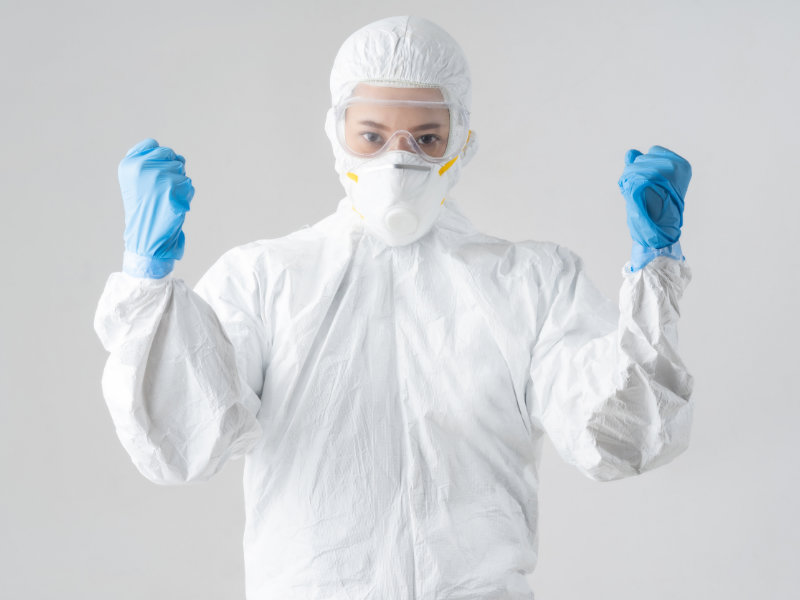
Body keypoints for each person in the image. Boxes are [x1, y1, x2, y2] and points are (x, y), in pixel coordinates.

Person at [94, 15, 693, 600]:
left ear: (462, 139)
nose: (398, 160)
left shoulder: (530, 282)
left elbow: (618, 437)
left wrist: (655, 273)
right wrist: (147, 282)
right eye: (372, 136)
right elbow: (184, 438)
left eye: (427, 138)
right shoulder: (266, 278)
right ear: (338, 133)